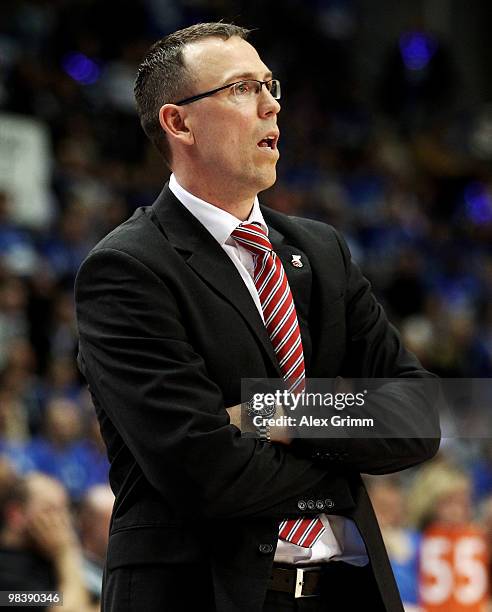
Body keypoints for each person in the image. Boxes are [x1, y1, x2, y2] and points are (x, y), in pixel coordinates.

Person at [74, 22, 440, 611]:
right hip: (208, 593)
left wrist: (269, 411)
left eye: (271, 85)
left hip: (346, 592)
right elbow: (204, 470)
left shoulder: (322, 251)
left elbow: (419, 415)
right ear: (179, 122)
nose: (272, 105)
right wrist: (344, 456)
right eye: (242, 88)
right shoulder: (126, 267)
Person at [0, 471, 90, 611]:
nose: (64, 521)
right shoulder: (6, 574)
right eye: (51, 510)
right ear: (15, 514)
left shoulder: (46, 556)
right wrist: (65, 553)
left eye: (65, 511)